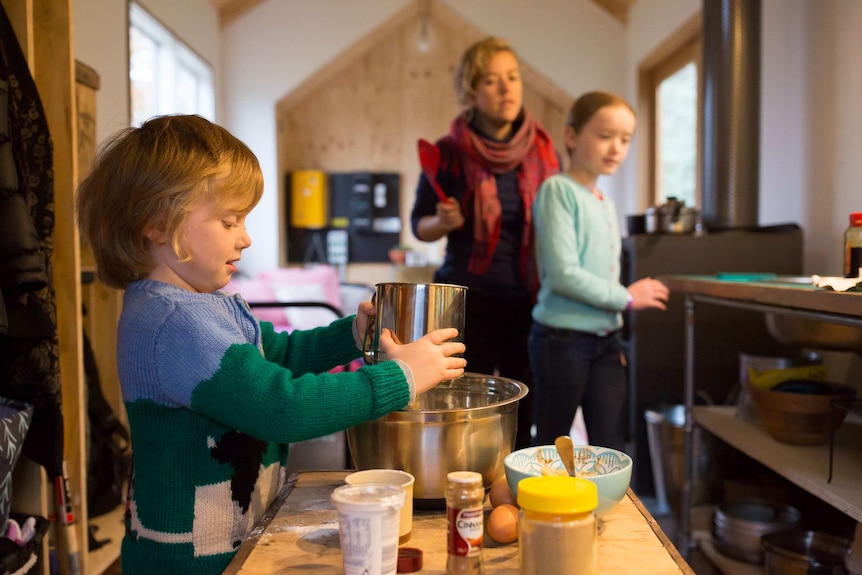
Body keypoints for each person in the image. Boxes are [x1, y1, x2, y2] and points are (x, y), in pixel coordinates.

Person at [75, 114, 466, 575]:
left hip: (226, 548)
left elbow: (279, 355)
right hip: (194, 562)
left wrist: (350, 336)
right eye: (229, 220)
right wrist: (401, 378)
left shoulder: (200, 305)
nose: (245, 237)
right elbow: (280, 408)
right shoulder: (173, 323)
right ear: (156, 224)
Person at [410, 36, 560, 449]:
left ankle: (516, 481)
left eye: (512, 77)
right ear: (471, 91)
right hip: (467, 301)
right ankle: (462, 482)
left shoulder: (544, 150)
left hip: (528, 299)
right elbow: (418, 226)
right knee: (461, 403)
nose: (506, 88)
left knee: (523, 400)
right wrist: (441, 222)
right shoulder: (449, 153)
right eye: (492, 81)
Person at [529, 91, 669, 451]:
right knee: (553, 444)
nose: (616, 148)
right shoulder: (557, 190)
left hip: (606, 343)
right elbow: (563, 274)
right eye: (605, 136)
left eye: (625, 140)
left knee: (610, 447)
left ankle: (600, 508)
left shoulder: (605, 202)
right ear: (572, 136)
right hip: (562, 342)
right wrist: (626, 296)